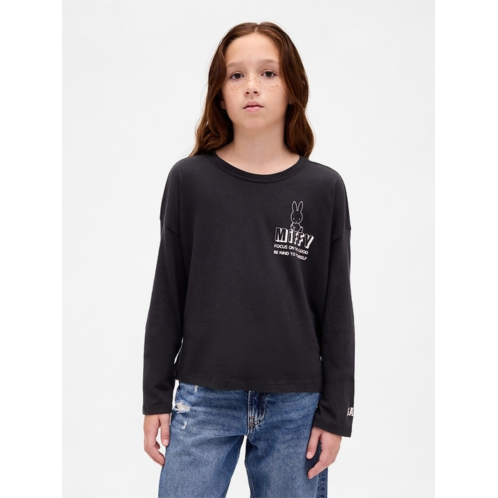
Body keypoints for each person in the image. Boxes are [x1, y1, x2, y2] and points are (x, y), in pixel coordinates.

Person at [143, 22, 355, 498]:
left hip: (297, 406)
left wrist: (337, 412)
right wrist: (155, 395)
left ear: (292, 88)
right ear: (219, 94)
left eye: (268, 73)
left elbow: (337, 308)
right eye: (236, 75)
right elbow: (168, 293)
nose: (251, 86)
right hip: (202, 398)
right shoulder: (189, 181)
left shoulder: (324, 188)